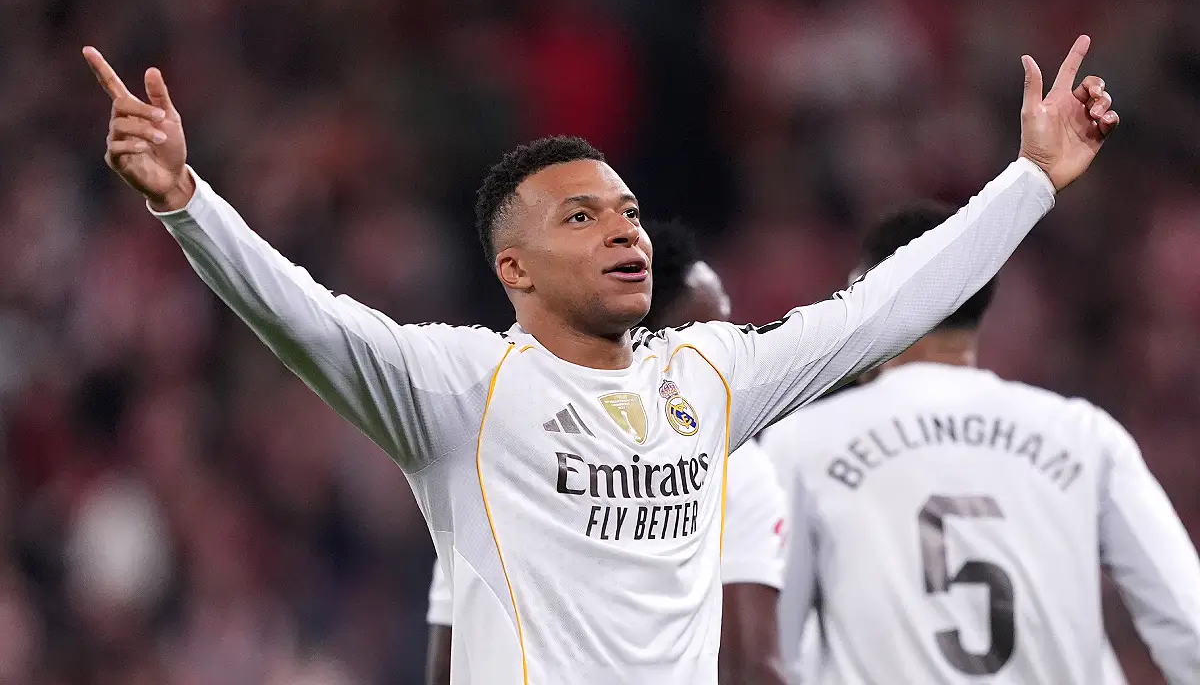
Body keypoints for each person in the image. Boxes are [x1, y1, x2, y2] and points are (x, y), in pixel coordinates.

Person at [82, 37, 1117, 685]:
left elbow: (881, 308)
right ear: (514, 267)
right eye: (584, 215)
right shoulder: (459, 391)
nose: (627, 232)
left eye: (628, 211)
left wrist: (1030, 180)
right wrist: (185, 201)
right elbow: (303, 318)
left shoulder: (705, 377)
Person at [762, 203, 1200, 685]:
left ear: (868, 300)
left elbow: (773, 652)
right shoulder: (1084, 436)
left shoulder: (801, 443)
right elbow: (1187, 622)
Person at [425, 219, 789, 685]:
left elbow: (448, 664)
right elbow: (752, 669)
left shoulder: (487, 452)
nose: (727, 352)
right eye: (707, 334)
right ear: (647, 340)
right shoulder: (729, 463)